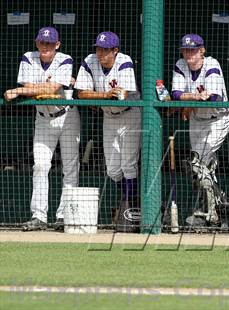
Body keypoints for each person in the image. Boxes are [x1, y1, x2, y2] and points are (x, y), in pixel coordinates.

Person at [4, 26, 80, 231]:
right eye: (42, 42)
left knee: (70, 168)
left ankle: (64, 216)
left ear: (57, 45)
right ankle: (39, 216)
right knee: (40, 165)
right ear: (37, 43)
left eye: (49, 43)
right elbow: (32, 87)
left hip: (67, 116)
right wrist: (29, 89)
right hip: (43, 119)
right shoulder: (28, 57)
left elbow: (51, 88)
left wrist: (18, 90)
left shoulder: (65, 59)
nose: (45, 46)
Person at [74, 31, 141, 233]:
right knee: (113, 170)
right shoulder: (89, 61)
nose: (101, 53)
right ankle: (133, 199)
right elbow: (81, 93)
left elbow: (122, 94)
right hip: (109, 117)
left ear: (115, 50)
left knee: (128, 165)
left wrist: (97, 96)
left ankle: (131, 208)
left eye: (105, 50)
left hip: (129, 114)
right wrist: (102, 95)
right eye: (98, 48)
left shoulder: (124, 61)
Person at [171, 33, 229, 226]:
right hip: (196, 119)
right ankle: (213, 212)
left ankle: (215, 205)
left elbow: (212, 97)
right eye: (186, 50)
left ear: (202, 50)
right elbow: (176, 94)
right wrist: (195, 97)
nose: (189, 54)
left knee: (198, 163)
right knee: (204, 169)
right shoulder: (181, 65)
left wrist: (189, 99)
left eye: (193, 50)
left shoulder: (212, 64)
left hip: (217, 119)